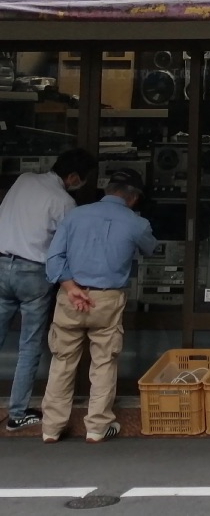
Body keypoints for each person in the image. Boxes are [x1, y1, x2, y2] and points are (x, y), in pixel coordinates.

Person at [41, 168, 157, 444]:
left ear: (107, 191)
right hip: (107, 298)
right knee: (104, 361)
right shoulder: (135, 223)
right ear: (133, 198)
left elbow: (54, 258)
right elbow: (151, 249)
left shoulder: (74, 216)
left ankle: (51, 427)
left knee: (62, 361)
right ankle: (97, 427)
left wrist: (71, 288)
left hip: (71, 297)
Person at [0, 148, 97, 432]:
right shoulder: (65, 202)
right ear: (73, 177)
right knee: (29, 345)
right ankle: (17, 413)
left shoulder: (25, 179)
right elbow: (68, 247)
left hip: (2, 263)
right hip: (33, 272)